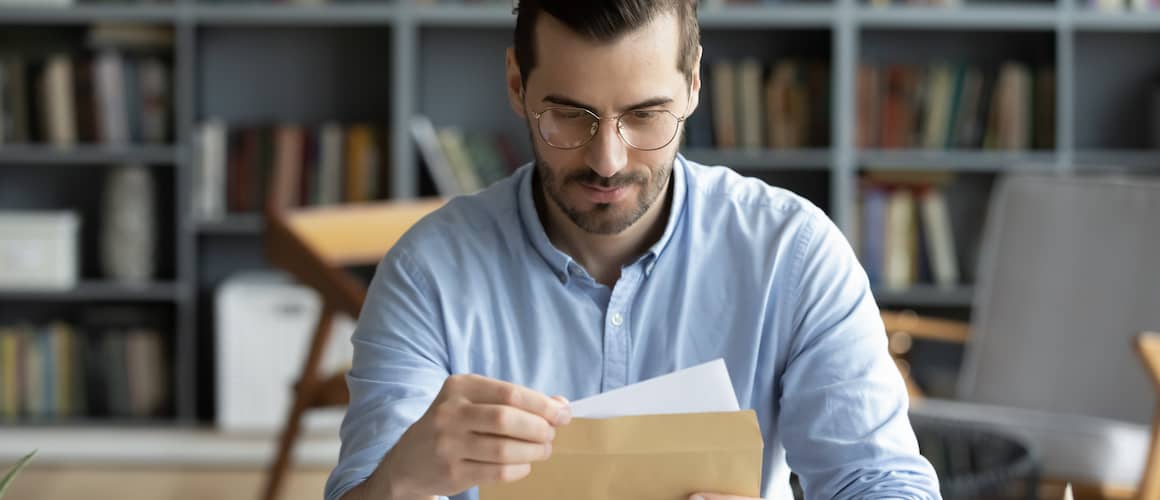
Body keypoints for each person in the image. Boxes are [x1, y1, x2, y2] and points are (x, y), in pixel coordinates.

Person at [325, 1, 941, 499]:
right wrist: (398, 484)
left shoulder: (793, 254)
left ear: (694, 84)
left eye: (647, 116)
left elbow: (881, 481)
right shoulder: (427, 271)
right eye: (569, 116)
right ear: (517, 84)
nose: (607, 160)